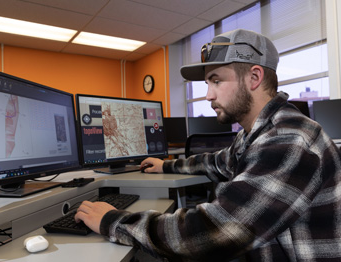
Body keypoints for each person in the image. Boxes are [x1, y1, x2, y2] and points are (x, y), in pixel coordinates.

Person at [74, 29, 341, 261]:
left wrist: (113, 221)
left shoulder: (290, 140)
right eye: (207, 83)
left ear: (254, 77)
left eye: (216, 80)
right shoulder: (257, 133)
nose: (208, 95)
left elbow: (213, 232)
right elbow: (219, 161)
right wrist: (167, 165)